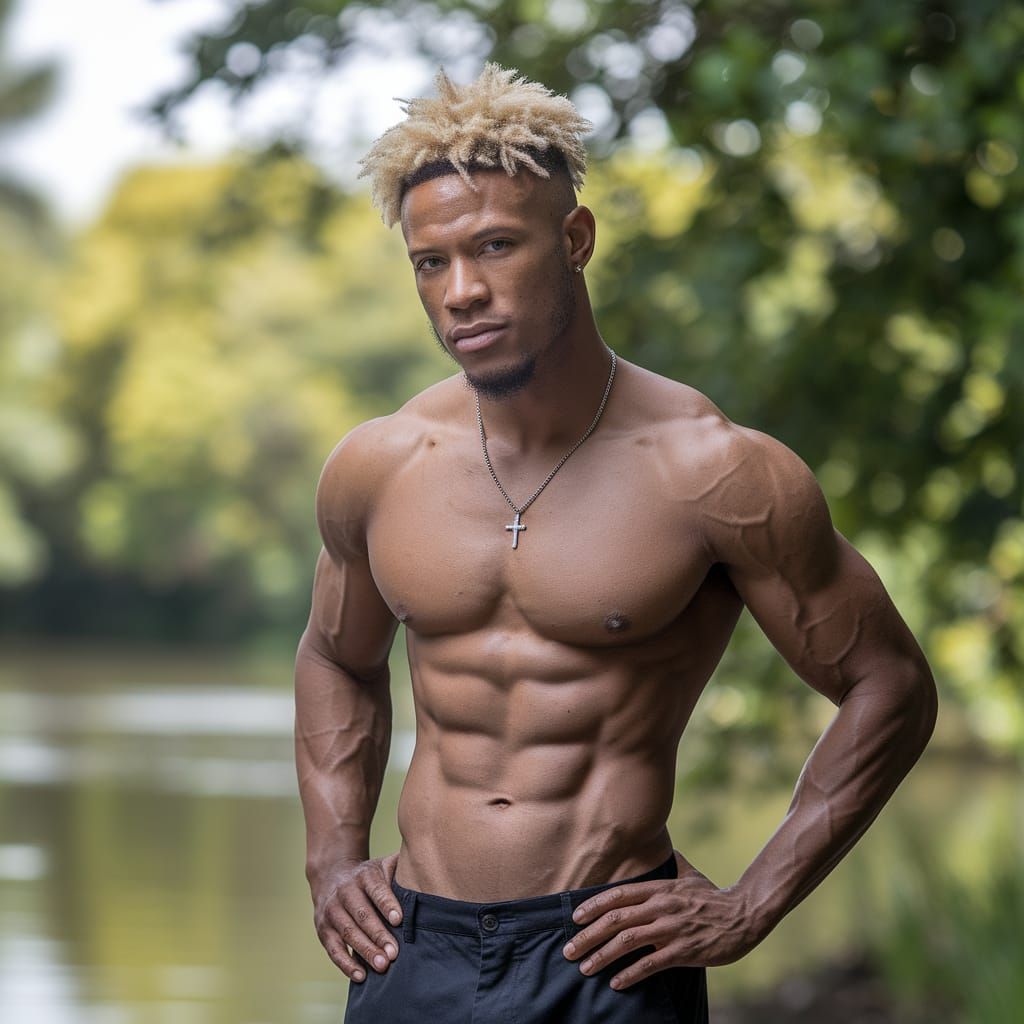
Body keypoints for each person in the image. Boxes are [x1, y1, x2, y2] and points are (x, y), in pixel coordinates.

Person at [294, 64, 937, 1023]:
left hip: (612, 956)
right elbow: (335, 659)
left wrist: (751, 905)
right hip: (409, 949)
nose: (461, 291)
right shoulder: (379, 465)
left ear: (576, 240)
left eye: (496, 246)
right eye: (432, 262)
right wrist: (334, 860)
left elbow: (891, 685)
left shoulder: (714, 471)